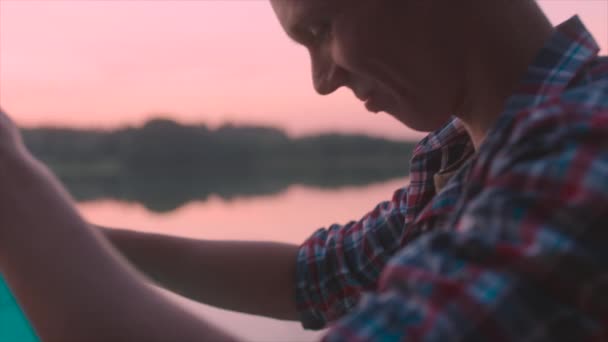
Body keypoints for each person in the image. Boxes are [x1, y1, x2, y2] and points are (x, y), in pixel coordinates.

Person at [0, 0, 606, 340]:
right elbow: (319, 276)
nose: (321, 81)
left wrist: (13, 190)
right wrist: (68, 242)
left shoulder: (588, 141)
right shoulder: (464, 158)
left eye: (321, 27)